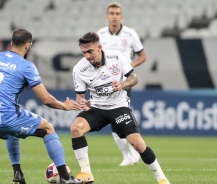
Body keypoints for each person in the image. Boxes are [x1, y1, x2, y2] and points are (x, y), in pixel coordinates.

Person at [0, 28, 83, 184]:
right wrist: (64, 106)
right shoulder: (26, 66)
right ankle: (66, 179)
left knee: (12, 133)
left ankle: (18, 175)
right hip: (6, 118)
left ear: (12, 43)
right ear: (28, 46)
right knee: (48, 129)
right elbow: (46, 99)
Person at [71, 32, 170, 184]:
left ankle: (161, 178)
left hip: (119, 107)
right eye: (84, 52)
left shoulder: (116, 57)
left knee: (137, 143)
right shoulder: (79, 69)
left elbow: (133, 78)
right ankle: (86, 173)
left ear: (99, 47)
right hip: (97, 108)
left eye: (90, 51)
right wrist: (83, 103)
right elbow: (80, 97)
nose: (87, 56)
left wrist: (122, 85)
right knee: (76, 129)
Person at [97, 2, 147, 167]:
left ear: (121, 16)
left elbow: (142, 56)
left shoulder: (130, 34)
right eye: (111, 13)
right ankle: (126, 154)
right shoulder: (100, 34)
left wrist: (131, 67)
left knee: (121, 114)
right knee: (113, 118)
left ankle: (133, 148)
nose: (114, 16)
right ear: (107, 16)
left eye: (117, 13)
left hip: (124, 81)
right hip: (105, 81)